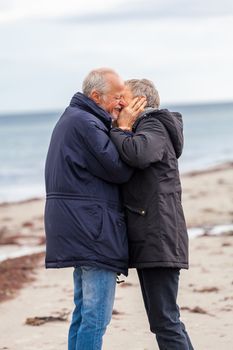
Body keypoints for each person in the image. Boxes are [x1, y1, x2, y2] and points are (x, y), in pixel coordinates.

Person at [44, 68, 145, 350]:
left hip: (80, 225)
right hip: (92, 230)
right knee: (96, 316)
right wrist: (124, 129)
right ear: (96, 96)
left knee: (84, 312)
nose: (122, 104)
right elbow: (119, 169)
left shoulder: (76, 117)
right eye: (117, 98)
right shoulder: (87, 123)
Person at [110, 79, 194, 349]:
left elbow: (139, 154)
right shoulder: (149, 126)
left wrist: (121, 128)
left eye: (124, 98)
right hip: (155, 233)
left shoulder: (154, 124)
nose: (119, 103)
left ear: (140, 103)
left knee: (166, 321)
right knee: (163, 321)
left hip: (160, 234)